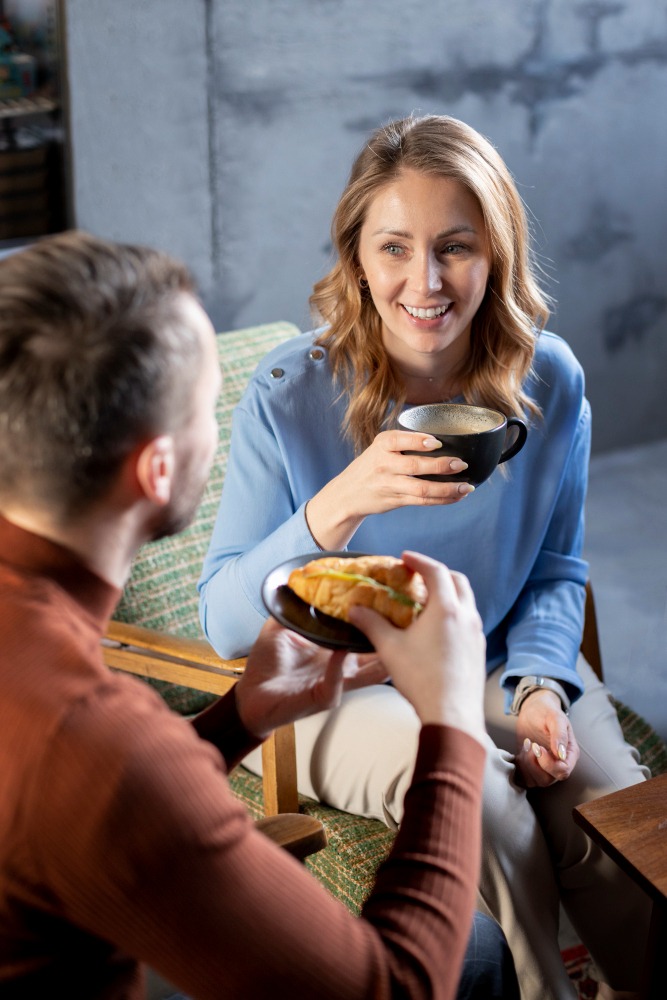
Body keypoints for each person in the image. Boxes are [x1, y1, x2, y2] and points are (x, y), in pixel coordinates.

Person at [198, 114, 652, 1000]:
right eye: (394, 247)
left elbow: (555, 569)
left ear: (496, 252)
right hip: (328, 683)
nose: (426, 281)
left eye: (455, 247)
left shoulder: (548, 381)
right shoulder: (290, 395)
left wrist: (537, 687)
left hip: (483, 660)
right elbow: (222, 625)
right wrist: (346, 497)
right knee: (483, 794)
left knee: (604, 810)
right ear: (357, 257)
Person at [0, 230, 520, 1000]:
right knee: (470, 961)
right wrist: (450, 724)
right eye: (209, 406)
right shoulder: (94, 738)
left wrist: (237, 718)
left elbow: (66, 808)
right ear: (160, 469)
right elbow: (395, 987)